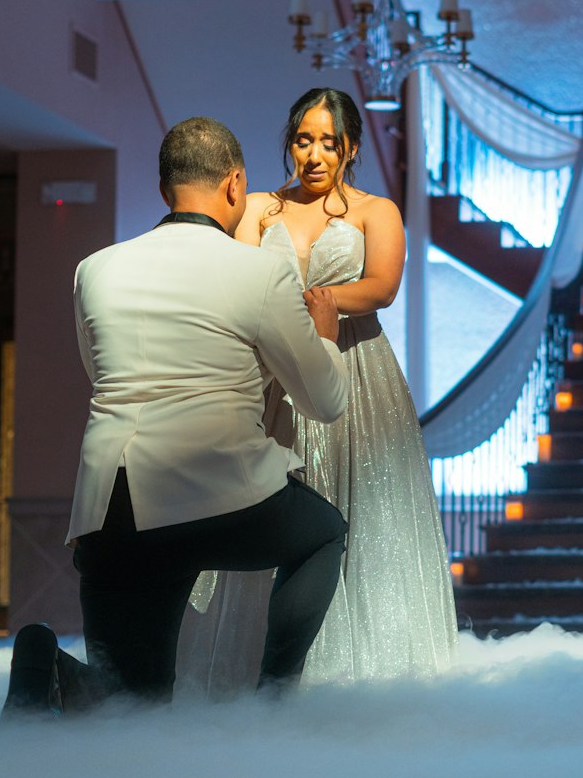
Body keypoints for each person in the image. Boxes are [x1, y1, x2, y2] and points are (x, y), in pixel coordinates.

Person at [1, 116, 349, 721]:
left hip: (113, 505)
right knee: (324, 534)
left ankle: (42, 660)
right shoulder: (260, 272)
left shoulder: (96, 269)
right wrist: (322, 337)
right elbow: (324, 401)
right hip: (222, 496)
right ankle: (273, 701)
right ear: (236, 185)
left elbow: (101, 374)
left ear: (165, 190)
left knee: (129, 704)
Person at [178, 89, 458, 690]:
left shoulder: (375, 210)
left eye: (329, 142)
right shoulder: (257, 207)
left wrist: (305, 308)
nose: (314, 153)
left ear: (351, 147)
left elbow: (382, 288)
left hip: (358, 369)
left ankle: (359, 669)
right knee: (271, 502)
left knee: (360, 508)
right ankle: (261, 669)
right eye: (304, 139)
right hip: (273, 372)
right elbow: (234, 280)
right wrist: (296, 318)